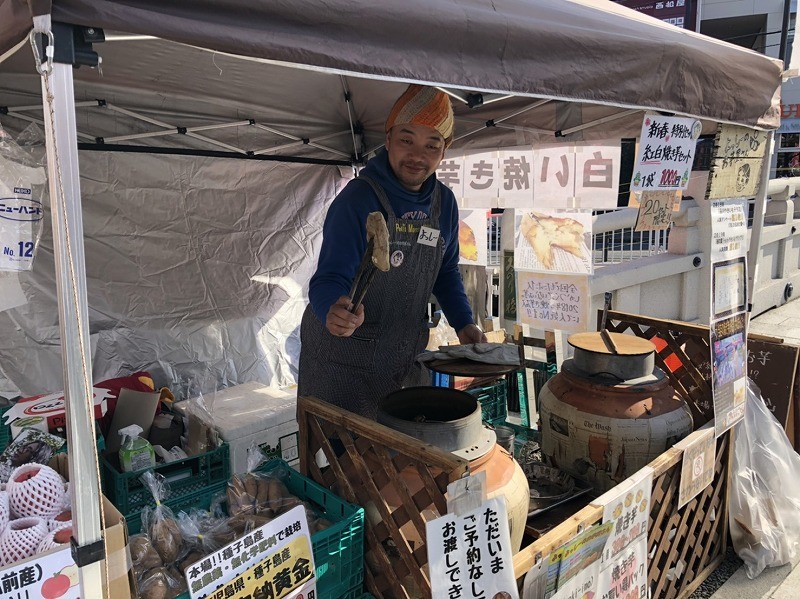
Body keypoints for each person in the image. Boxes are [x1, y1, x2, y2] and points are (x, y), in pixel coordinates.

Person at [298, 84, 486, 420]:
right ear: (388, 141)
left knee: (397, 453)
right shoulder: (358, 199)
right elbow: (329, 277)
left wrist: (464, 323)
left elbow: (445, 272)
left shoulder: (444, 203)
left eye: (432, 145)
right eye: (407, 140)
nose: (418, 156)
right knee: (338, 455)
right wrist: (332, 309)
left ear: (444, 152)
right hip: (342, 358)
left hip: (400, 355)